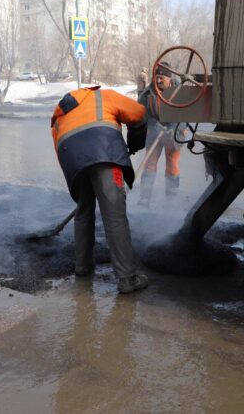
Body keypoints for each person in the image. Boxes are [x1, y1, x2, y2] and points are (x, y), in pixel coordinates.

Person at [51, 85, 149, 294]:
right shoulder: (103, 96)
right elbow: (139, 113)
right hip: (104, 154)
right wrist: (136, 140)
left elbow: (60, 150)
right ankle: (127, 278)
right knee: (114, 215)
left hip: (73, 162)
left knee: (84, 211)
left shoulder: (60, 116)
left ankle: (83, 267)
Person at [138, 62, 185, 203]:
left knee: (172, 164)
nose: (158, 80)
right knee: (150, 163)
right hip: (154, 131)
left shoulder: (180, 92)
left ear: (169, 79)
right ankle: (144, 199)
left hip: (175, 132)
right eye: (156, 77)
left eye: (161, 78)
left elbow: (187, 113)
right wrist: (154, 124)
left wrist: (175, 127)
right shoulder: (147, 94)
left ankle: (171, 201)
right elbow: (141, 114)